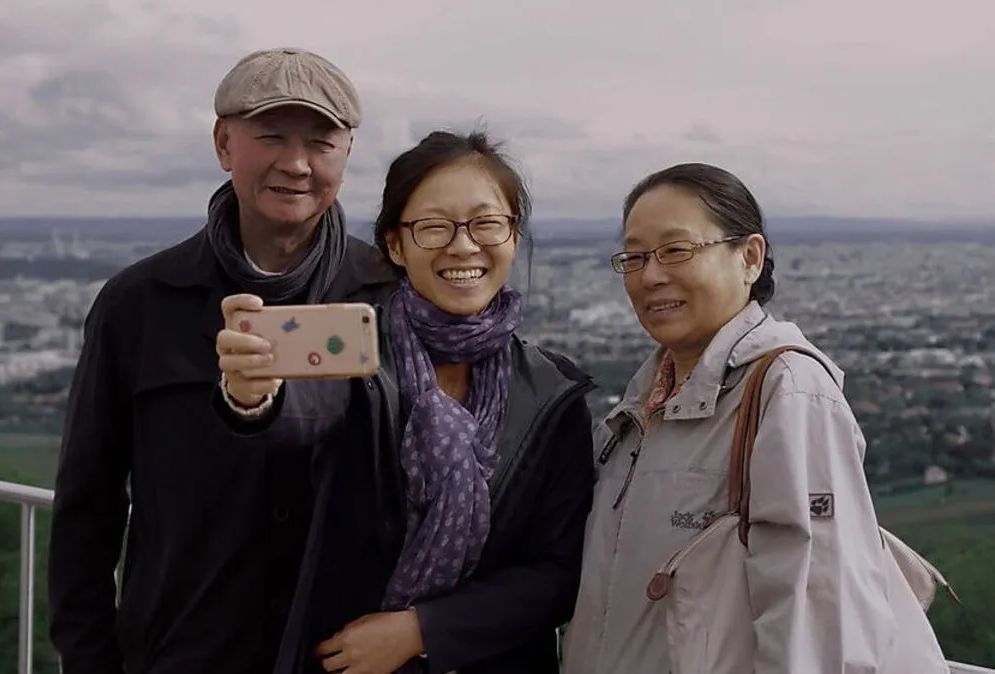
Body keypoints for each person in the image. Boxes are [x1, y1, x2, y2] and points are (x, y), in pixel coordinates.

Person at [46, 47, 397, 674]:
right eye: (270, 137)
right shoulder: (140, 304)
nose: (296, 164)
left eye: (321, 143)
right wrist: (89, 658)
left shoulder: (391, 297)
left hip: (347, 656)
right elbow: (87, 507)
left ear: (347, 155)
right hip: (182, 652)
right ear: (223, 143)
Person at [215, 129, 597, 674]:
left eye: (487, 223)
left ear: (513, 236)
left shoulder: (550, 392)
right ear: (395, 244)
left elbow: (559, 571)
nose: (463, 246)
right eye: (434, 226)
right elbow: (298, 418)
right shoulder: (355, 357)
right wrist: (252, 398)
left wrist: (423, 630)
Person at [561, 162, 901, 673]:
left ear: (749, 257)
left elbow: (820, 618)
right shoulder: (639, 410)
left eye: (676, 250)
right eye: (634, 257)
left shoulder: (786, 390)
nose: (651, 275)